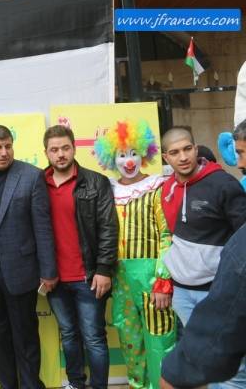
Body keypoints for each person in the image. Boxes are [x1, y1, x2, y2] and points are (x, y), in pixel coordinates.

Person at [0, 125, 56, 389]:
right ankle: (6, 384)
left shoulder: (31, 176)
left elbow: (42, 226)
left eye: (8, 146)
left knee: (24, 333)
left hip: (18, 268)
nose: (4, 153)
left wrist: (48, 271)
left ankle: (30, 385)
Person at [160, 120, 246, 388]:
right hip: (182, 292)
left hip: (217, 293)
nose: (183, 157)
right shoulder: (167, 189)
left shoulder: (224, 184)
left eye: (187, 149)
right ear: (165, 157)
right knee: (204, 364)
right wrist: (165, 280)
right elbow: (171, 239)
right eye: (174, 152)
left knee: (231, 371)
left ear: (196, 149)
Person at [94, 120, 175, 388]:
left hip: (151, 276)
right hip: (120, 278)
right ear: (111, 159)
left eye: (134, 153)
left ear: (144, 154)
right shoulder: (108, 191)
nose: (128, 161)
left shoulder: (157, 186)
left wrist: (163, 279)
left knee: (159, 338)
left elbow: (167, 234)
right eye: (121, 155)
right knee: (130, 339)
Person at [43, 124, 118, 389]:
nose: (60, 154)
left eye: (65, 148)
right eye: (54, 150)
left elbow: (108, 228)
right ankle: (76, 384)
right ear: (46, 153)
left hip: (89, 277)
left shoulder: (96, 182)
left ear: (74, 148)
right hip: (54, 279)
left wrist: (104, 269)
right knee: (68, 334)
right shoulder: (38, 184)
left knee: (94, 338)